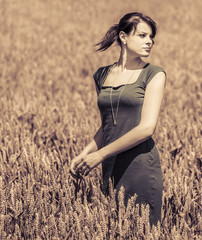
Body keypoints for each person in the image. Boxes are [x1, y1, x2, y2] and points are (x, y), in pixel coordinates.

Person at [69, 12, 166, 226]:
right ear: (123, 37)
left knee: (143, 229)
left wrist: (100, 155)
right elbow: (108, 124)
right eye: (142, 35)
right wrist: (84, 154)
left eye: (151, 37)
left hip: (139, 164)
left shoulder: (154, 74)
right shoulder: (102, 75)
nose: (149, 42)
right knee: (114, 228)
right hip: (110, 165)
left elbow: (146, 128)